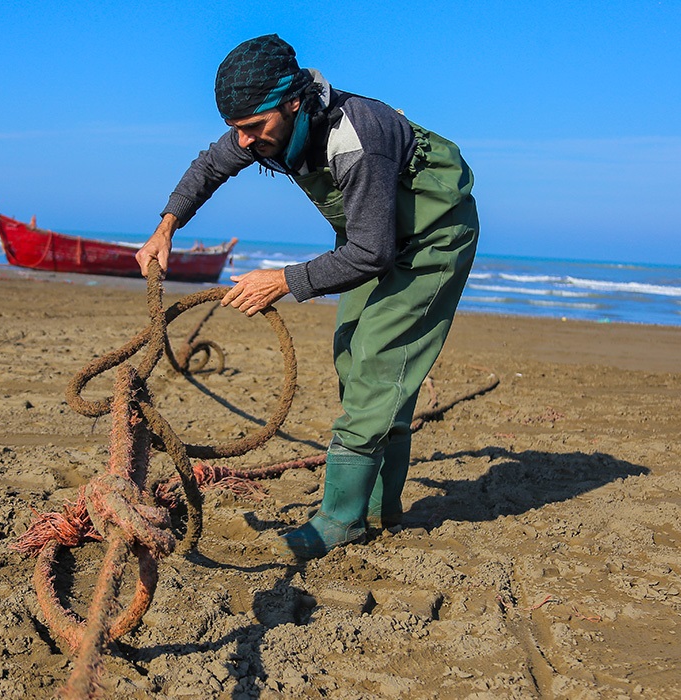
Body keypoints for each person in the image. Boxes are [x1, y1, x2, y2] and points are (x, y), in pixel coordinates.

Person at [135, 34, 479, 559]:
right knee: (352, 359)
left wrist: (284, 281)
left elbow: (371, 254)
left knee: (376, 363)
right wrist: (166, 228)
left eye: (253, 129)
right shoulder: (262, 126)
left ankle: (341, 520)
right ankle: (380, 508)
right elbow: (210, 165)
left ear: (294, 101)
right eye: (236, 130)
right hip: (372, 239)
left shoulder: (357, 139)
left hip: (431, 240)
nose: (244, 142)